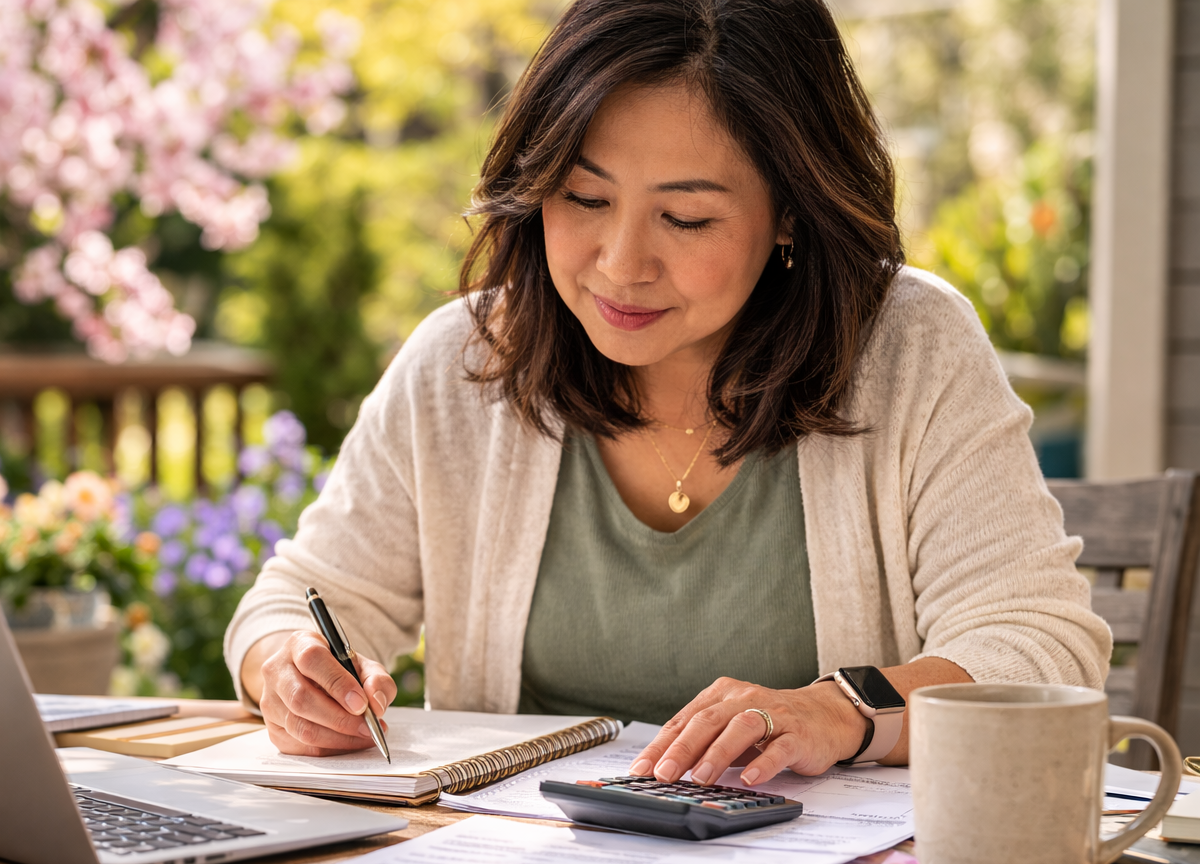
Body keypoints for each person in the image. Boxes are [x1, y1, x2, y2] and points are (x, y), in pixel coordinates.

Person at [224, 0, 1110, 788]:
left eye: (686, 218)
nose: (620, 264)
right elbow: (295, 600)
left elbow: (1039, 649)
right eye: (582, 196)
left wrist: (842, 712)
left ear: (792, 211)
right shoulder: (466, 360)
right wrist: (291, 672)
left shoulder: (910, 348)